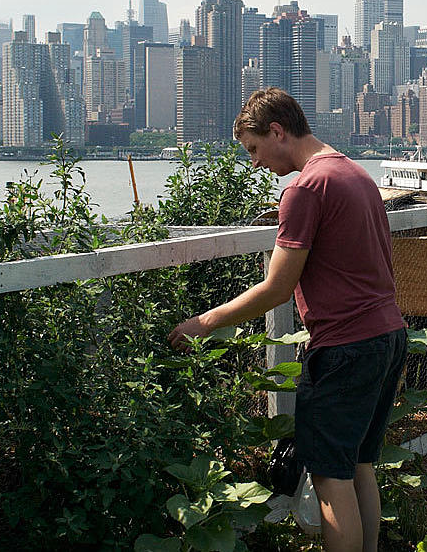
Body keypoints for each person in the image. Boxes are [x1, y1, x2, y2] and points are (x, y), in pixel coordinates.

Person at [168, 87, 407, 552]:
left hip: (344, 348)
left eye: (254, 149)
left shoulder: (303, 188)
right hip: (387, 336)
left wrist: (205, 321)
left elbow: (277, 287)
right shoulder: (355, 174)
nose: (255, 163)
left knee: (330, 480)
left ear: (278, 131)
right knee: (359, 467)